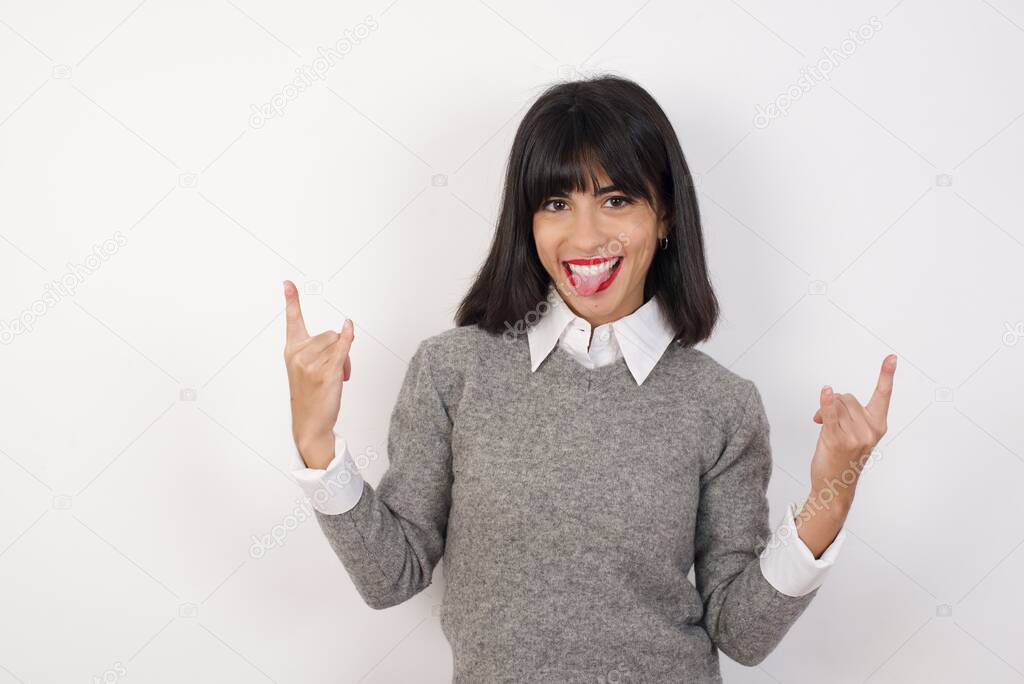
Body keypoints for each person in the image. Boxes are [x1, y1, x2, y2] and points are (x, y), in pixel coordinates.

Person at [281, 74, 896, 683]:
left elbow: (743, 633)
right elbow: (394, 575)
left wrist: (830, 496)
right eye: (557, 204)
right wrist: (317, 444)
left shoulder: (721, 405)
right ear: (528, 222)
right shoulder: (453, 372)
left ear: (666, 217)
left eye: (616, 199)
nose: (586, 236)